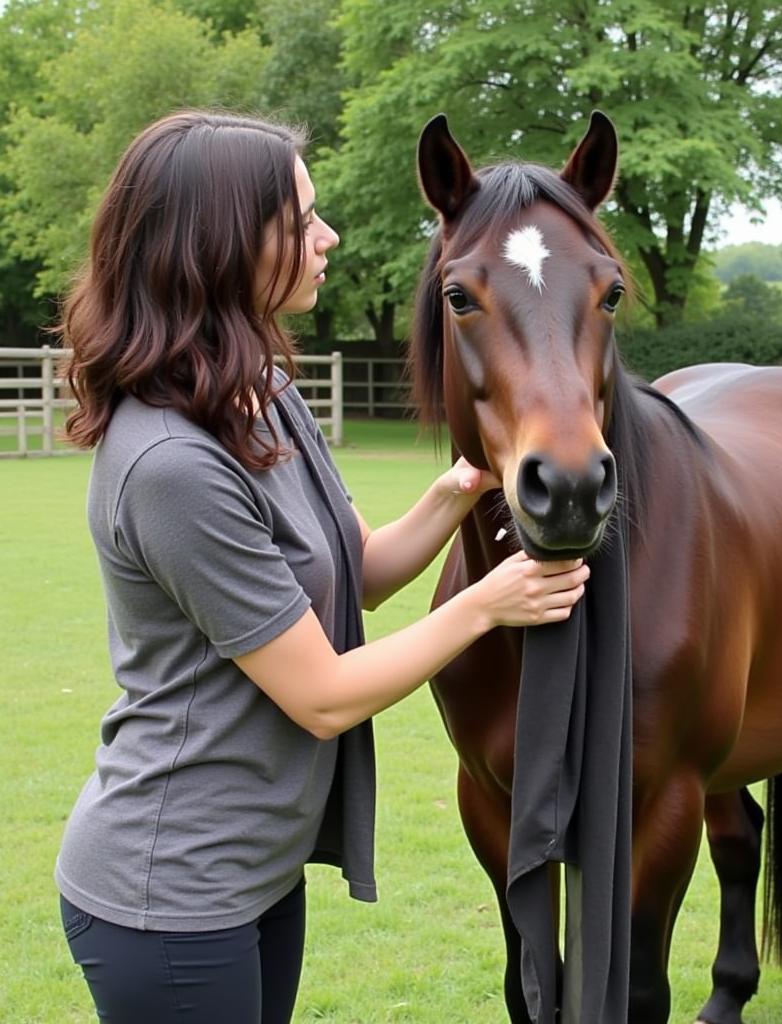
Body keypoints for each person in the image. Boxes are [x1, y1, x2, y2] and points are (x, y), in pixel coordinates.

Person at [55, 110, 589, 1024]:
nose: (326, 236)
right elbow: (323, 693)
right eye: (300, 220)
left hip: (253, 874)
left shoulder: (259, 394)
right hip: (171, 897)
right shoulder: (173, 464)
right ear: (220, 244)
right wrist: (487, 604)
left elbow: (360, 569)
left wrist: (463, 485)